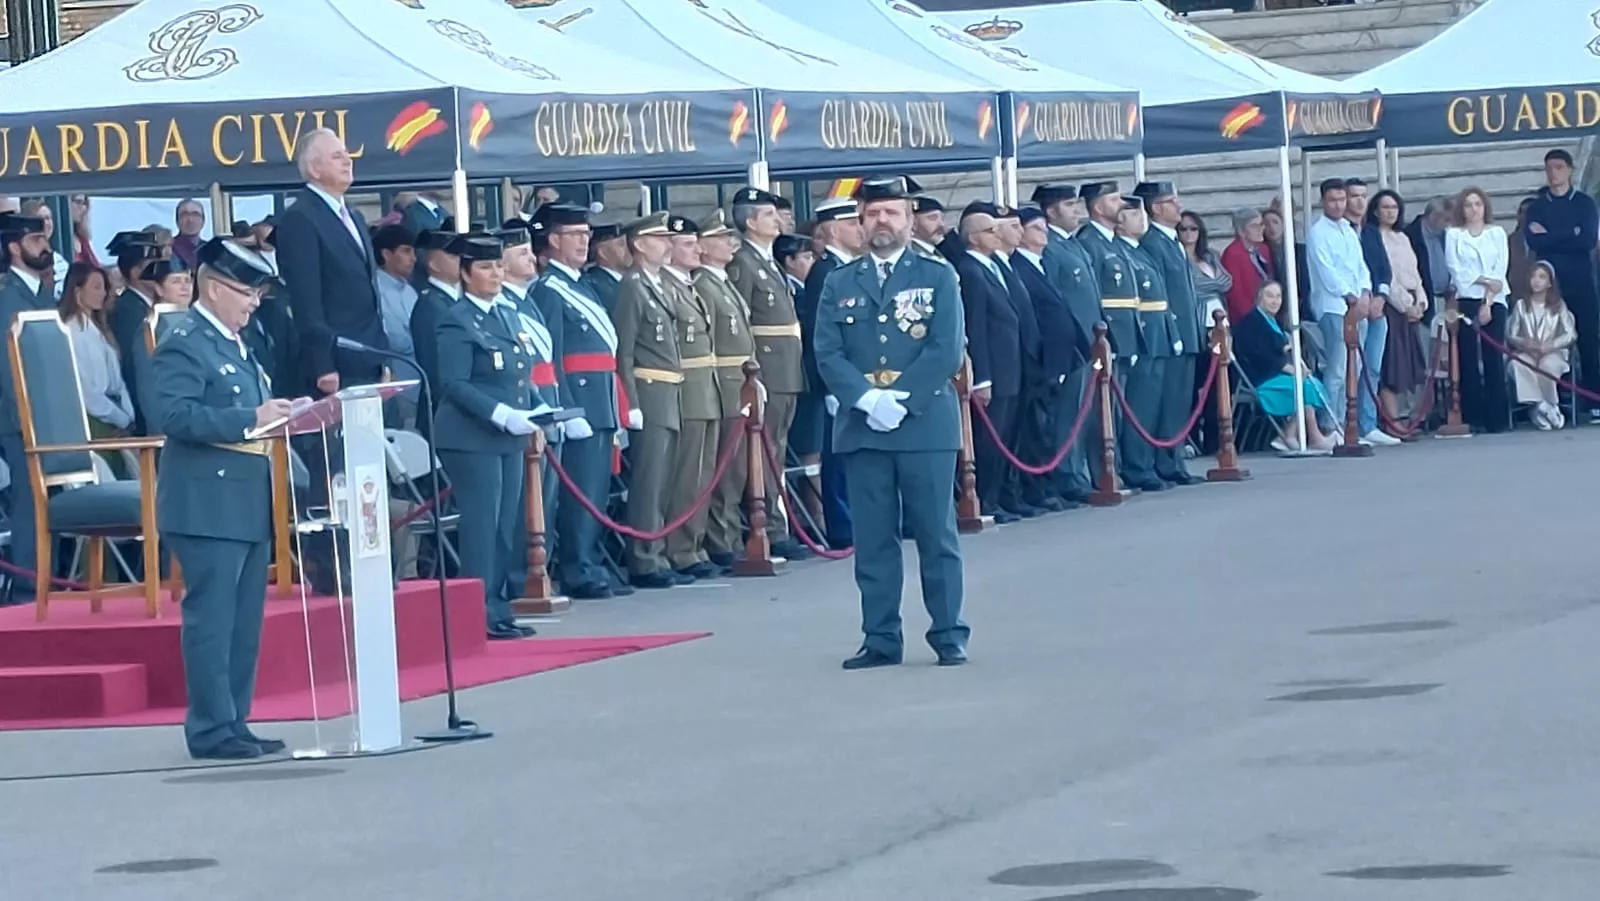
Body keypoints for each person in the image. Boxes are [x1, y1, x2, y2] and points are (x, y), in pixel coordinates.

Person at [811, 175, 967, 670]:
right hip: (864, 428)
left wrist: (904, 398)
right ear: (860, 222)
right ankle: (880, 638)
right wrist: (865, 399)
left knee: (935, 537)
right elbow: (827, 351)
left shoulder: (938, 274)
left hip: (923, 424)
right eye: (873, 213)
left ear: (908, 219)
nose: (882, 221)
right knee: (874, 541)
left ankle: (948, 634)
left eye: (892, 213)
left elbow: (947, 346)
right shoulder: (840, 281)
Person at [152, 236, 295, 759]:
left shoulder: (238, 343)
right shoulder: (185, 340)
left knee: (243, 620)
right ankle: (211, 727)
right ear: (212, 289)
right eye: (245, 292)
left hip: (246, 496)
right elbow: (175, 416)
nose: (253, 302)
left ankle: (235, 719)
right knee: (212, 619)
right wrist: (249, 419)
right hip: (205, 500)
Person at [431, 234, 540, 641]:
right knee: (481, 526)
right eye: (484, 267)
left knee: (504, 526)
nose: (495, 274)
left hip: (507, 435)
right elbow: (454, 383)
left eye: (497, 266)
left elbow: (519, 373)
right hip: (471, 436)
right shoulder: (456, 318)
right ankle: (474, 614)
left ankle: (498, 607)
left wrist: (538, 408)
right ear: (464, 273)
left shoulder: (505, 314)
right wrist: (500, 413)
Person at [534, 206, 626, 601]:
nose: (584, 240)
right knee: (580, 493)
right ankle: (578, 568)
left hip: (600, 396)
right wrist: (568, 408)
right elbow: (551, 355)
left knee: (595, 490)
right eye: (574, 233)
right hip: (580, 397)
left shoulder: (581, 284)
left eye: (586, 233)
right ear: (553, 240)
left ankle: (589, 560)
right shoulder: (549, 289)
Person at [727, 187, 809, 561]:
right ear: (750, 221)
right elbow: (741, 322)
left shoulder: (766, 259)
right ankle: (768, 528)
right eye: (768, 214)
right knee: (763, 450)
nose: (778, 220)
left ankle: (777, 524)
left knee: (774, 448)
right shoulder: (743, 262)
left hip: (785, 367)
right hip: (766, 369)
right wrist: (751, 374)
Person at [276, 127, 387, 398]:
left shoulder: (354, 217)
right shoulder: (300, 219)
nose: (348, 161)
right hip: (336, 364)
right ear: (314, 169)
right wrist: (322, 364)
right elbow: (306, 298)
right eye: (337, 156)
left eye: (347, 155)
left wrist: (382, 356)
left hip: (369, 355)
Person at [612, 211, 687, 589]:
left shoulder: (659, 284)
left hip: (670, 389)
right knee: (649, 481)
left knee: (666, 479)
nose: (668, 244)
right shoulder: (633, 286)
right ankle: (644, 557)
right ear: (640, 244)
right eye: (660, 238)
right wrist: (632, 403)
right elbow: (624, 350)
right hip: (649, 389)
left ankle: (658, 550)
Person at [0, 212, 58, 603]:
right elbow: (9, 365)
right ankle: (26, 590)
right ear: (14, 247)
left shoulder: (39, 293)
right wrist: (28, 416)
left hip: (51, 417)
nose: (46, 245)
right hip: (23, 419)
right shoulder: (8, 297)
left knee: (45, 506)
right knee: (28, 506)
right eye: (36, 239)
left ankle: (44, 580)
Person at [661, 214, 722, 580]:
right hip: (685, 389)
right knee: (685, 476)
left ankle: (694, 545)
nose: (697, 248)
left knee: (702, 475)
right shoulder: (666, 287)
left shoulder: (687, 285)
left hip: (706, 387)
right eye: (687, 244)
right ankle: (680, 549)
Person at [1012, 206, 1086, 509]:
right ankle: (1041, 488)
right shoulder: (1019, 266)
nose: (1044, 233)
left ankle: (1054, 484)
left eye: (1044, 227)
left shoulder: (1040, 264)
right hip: (1041, 362)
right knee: (1041, 430)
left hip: (1062, 358)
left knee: (1058, 426)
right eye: (1036, 228)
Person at [953, 203, 1022, 522]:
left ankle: (998, 497)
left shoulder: (992, 266)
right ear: (973, 238)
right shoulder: (970, 270)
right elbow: (976, 326)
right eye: (990, 231)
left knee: (1005, 438)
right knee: (988, 442)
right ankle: (985, 500)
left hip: (1009, 367)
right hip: (991, 370)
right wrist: (981, 377)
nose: (998, 235)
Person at [695, 211, 756, 569]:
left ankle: (730, 535)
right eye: (720, 237)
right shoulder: (704, 283)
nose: (730, 243)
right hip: (724, 382)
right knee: (726, 468)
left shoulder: (721, 280)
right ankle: (721, 539)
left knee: (738, 470)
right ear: (702, 247)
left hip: (740, 380)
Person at [1033, 183, 1101, 503]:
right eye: (1069, 205)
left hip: (1090, 341)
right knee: (1067, 414)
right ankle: (1067, 475)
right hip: (1072, 345)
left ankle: (1079, 471)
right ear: (1051, 212)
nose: (1077, 210)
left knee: (1082, 413)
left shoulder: (1073, 246)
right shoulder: (1052, 249)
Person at [1133, 182, 1203, 486]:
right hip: (1169, 331)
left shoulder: (1172, 241)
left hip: (1187, 332)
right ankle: (1160, 461)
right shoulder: (1152, 243)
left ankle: (1173, 459)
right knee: (1165, 402)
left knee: (1178, 402)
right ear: (1157, 208)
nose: (1179, 206)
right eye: (1171, 201)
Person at [1306, 178, 1385, 445]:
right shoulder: (1318, 232)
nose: (1339, 205)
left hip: (1357, 306)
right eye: (1333, 200)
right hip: (1334, 307)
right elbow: (1327, 271)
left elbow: (1361, 266)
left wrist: (1364, 292)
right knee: (1337, 369)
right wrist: (1350, 296)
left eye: (1342, 200)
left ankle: (1348, 423)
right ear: (1323, 202)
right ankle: (1331, 425)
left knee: (1357, 366)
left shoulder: (1348, 230)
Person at [1524, 148, 1599, 419]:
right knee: (1548, 341)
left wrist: (1552, 236)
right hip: (1550, 283)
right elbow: (1534, 241)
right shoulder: (1537, 207)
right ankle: (1552, 402)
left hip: (1580, 280)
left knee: (1589, 339)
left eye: (1558, 167)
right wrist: (1570, 233)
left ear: (1569, 170)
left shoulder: (1584, 204)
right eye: (1549, 168)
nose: (1553, 173)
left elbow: (1587, 239)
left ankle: (1594, 400)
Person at [1232, 281, 1335, 452]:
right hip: (1261, 377)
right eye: (1269, 296)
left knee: (1312, 385)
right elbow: (1260, 356)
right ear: (1259, 298)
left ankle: (1289, 434)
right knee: (1304, 388)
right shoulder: (1251, 323)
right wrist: (1287, 368)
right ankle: (1310, 436)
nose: (1275, 301)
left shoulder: (1275, 322)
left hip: (1277, 374)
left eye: (1278, 296)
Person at [1118, 197, 1174, 492]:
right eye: (1133, 213)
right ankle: (1138, 466)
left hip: (1157, 334)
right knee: (1139, 407)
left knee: (1153, 406)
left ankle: (1151, 463)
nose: (1142, 218)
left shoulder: (1140, 251)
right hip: (1140, 335)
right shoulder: (1121, 252)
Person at [1445, 186, 1511, 434]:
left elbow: (1499, 270)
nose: (1474, 209)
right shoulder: (1454, 235)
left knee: (1494, 358)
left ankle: (1497, 418)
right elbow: (1457, 270)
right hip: (1467, 299)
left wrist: (1489, 301)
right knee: (1469, 358)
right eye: (1469, 205)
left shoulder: (1497, 233)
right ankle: (1473, 416)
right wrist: (1482, 282)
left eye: (1478, 204)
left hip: (1495, 299)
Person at [1367, 190, 1430, 426]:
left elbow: (1415, 272)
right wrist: (1405, 305)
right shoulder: (1374, 238)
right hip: (1393, 306)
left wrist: (1420, 302)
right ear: (1376, 211)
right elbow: (1386, 276)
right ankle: (1391, 419)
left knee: (1408, 363)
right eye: (1385, 207)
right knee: (1391, 363)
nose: (1390, 212)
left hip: (1411, 304)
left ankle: (1408, 417)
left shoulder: (1402, 238)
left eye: (1394, 207)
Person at [58, 264, 135, 446]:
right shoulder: (73, 331)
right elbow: (87, 391)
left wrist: (128, 415)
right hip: (96, 421)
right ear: (77, 291)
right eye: (96, 287)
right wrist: (121, 418)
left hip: (116, 416)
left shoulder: (98, 328)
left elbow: (118, 382)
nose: (102, 293)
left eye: (104, 288)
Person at [1508, 261, 1576, 430]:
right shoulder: (1521, 306)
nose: (1536, 281)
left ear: (1550, 283)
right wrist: (1525, 343)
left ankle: (1548, 406)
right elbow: (1511, 334)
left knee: (1547, 365)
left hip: (1553, 352)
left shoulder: (1559, 305)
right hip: (1527, 352)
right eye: (1533, 277)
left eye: (1542, 277)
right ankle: (1542, 405)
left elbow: (1570, 334)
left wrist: (1551, 345)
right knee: (1519, 364)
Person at [1221, 208, 1275, 325]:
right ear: (1241, 231)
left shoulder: (1263, 249)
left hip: (1268, 312)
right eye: (1255, 226)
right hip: (1247, 319)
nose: (1261, 229)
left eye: (1262, 224)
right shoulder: (1232, 254)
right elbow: (1236, 294)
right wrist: (1256, 318)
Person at [582, 221, 630, 312]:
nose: (628, 249)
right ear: (603, 252)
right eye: (621, 245)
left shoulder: (627, 281)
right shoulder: (596, 285)